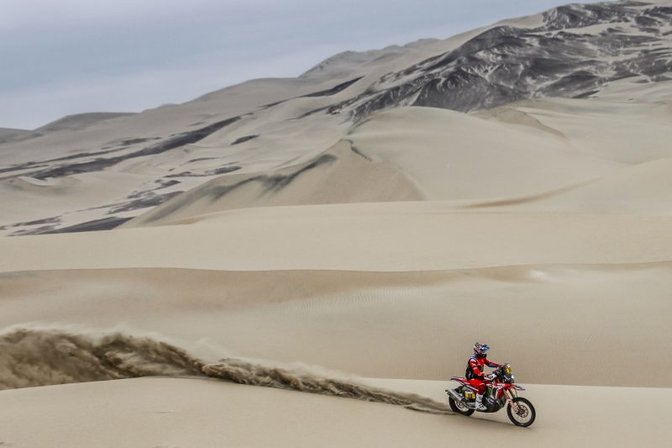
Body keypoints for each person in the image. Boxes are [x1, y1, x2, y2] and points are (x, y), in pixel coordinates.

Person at [465, 342, 501, 411]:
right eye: (482, 351)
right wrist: (483, 374)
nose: (484, 353)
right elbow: (475, 371)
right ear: (477, 351)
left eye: (485, 351)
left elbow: (489, 363)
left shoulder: (482, 358)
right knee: (482, 386)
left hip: (480, 377)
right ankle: (478, 404)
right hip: (472, 378)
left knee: (491, 383)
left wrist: (499, 365)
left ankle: (488, 399)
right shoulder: (473, 359)